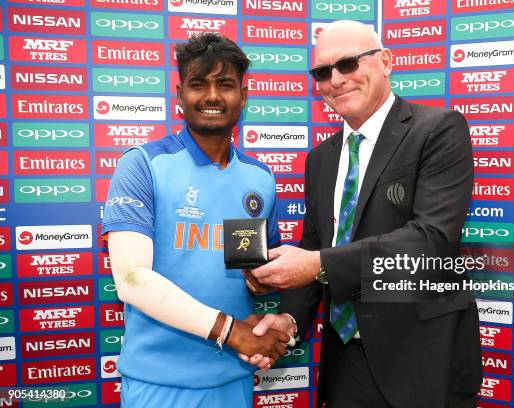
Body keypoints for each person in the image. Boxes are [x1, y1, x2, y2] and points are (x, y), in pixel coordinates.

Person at [247, 20, 483, 407]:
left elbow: (431, 240)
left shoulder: (438, 129)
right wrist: (289, 322)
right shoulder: (320, 158)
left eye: (348, 64)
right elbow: (313, 246)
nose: (336, 79)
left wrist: (319, 263)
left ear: (386, 62)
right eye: (322, 72)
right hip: (345, 360)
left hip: (423, 360)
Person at [102, 33, 290, 408]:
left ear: (244, 95)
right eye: (198, 84)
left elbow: (249, 270)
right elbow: (132, 280)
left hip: (235, 377)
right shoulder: (142, 165)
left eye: (226, 84)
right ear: (179, 94)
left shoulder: (259, 177)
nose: (213, 96)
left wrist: (260, 291)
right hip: (159, 383)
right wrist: (230, 330)